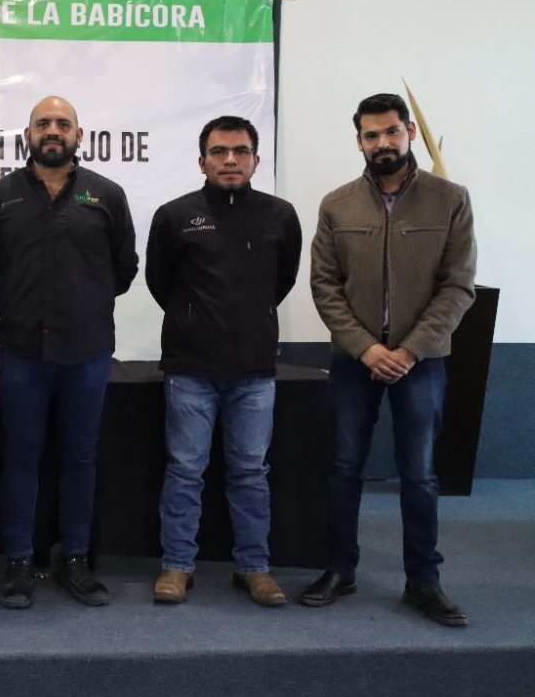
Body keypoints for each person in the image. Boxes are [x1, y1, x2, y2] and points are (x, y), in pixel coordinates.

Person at [300, 93, 476, 627]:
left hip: (420, 362)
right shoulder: (337, 204)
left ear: (410, 133)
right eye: (371, 135)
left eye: (392, 131)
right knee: (343, 468)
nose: (383, 143)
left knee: (419, 475)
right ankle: (339, 569)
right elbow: (325, 286)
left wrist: (408, 350)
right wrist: (368, 348)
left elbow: (458, 287)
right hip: (355, 360)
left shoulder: (450, 200)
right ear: (359, 141)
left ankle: (423, 580)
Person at [0, 95, 139, 609]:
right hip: (22, 349)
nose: (53, 130)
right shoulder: (1, 195)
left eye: (62, 123)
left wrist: (83, 303)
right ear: (28, 134)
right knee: (21, 457)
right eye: (43, 123)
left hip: (87, 350)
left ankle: (76, 559)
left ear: (78, 135)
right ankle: (19, 561)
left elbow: (124, 268)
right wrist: (21, 303)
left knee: (80, 457)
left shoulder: (107, 194)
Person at [145, 116, 301, 607]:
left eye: (240, 151)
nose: (230, 159)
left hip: (254, 371)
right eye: (218, 151)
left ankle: (254, 567)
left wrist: (249, 318)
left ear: (256, 159)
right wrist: (196, 320)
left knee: (250, 473)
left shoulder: (280, 216)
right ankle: (177, 564)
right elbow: (160, 283)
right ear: (202, 161)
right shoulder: (174, 216)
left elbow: (282, 280)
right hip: (190, 368)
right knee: (185, 471)